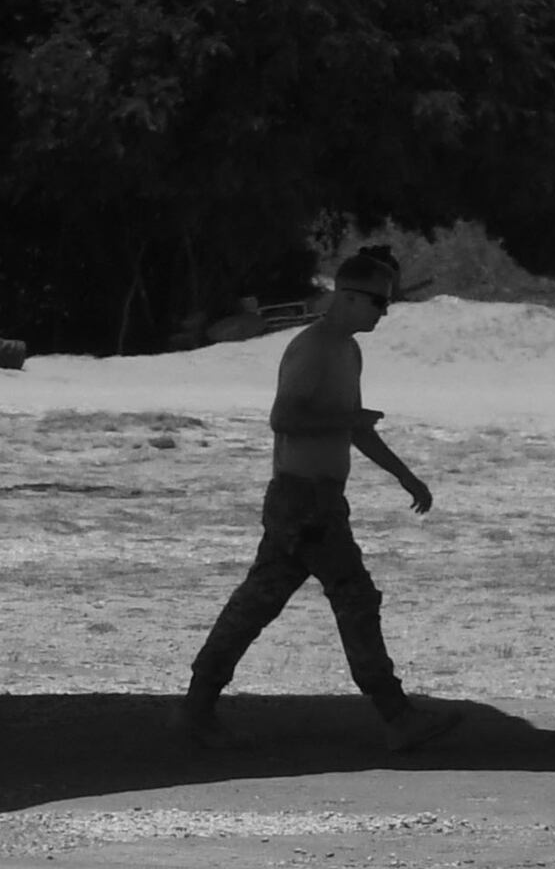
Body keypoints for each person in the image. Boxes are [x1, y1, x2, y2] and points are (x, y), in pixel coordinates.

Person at [183, 245, 453, 750]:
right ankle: (397, 717)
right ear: (349, 297)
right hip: (303, 501)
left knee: (257, 604)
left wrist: (405, 476)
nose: (384, 312)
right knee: (354, 599)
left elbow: (351, 427)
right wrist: (349, 422)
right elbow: (284, 419)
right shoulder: (315, 347)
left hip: (317, 499)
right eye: (379, 302)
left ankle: (197, 708)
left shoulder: (347, 350)